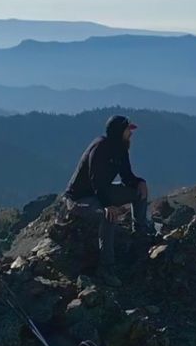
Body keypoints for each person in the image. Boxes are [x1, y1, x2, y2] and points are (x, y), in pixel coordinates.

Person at [63, 114, 152, 285]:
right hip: (79, 198)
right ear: (120, 131)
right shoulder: (100, 147)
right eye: (128, 130)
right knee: (109, 216)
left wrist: (140, 182)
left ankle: (140, 234)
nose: (131, 133)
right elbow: (95, 180)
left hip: (99, 193)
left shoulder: (121, 148)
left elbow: (127, 176)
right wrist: (107, 205)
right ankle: (106, 268)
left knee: (139, 192)